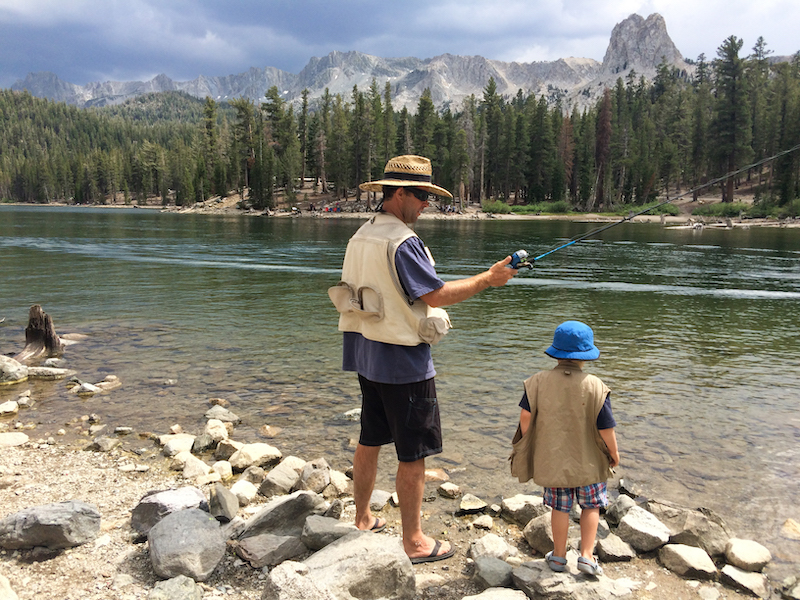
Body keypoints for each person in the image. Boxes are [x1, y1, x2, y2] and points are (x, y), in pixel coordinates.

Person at [329, 155, 518, 563]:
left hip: (365, 353)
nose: (426, 204)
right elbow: (436, 295)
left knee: (370, 438)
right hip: (402, 361)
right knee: (413, 453)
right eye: (420, 196)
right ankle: (414, 542)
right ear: (398, 193)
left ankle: (362, 517)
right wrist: (490, 279)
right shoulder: (403, 241)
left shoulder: (362, 234)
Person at [510, 320, 620, 577]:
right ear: (586, 356)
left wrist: (530, 441)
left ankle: (558, 556)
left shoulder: (537, 382)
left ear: (556, 352)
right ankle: (586, 556)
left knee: (560, 508)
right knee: (591, 506)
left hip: (554, 458)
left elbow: (525, 417)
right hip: (589, 462)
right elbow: (606, 428)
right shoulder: (596, 386)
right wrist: (614, 453)